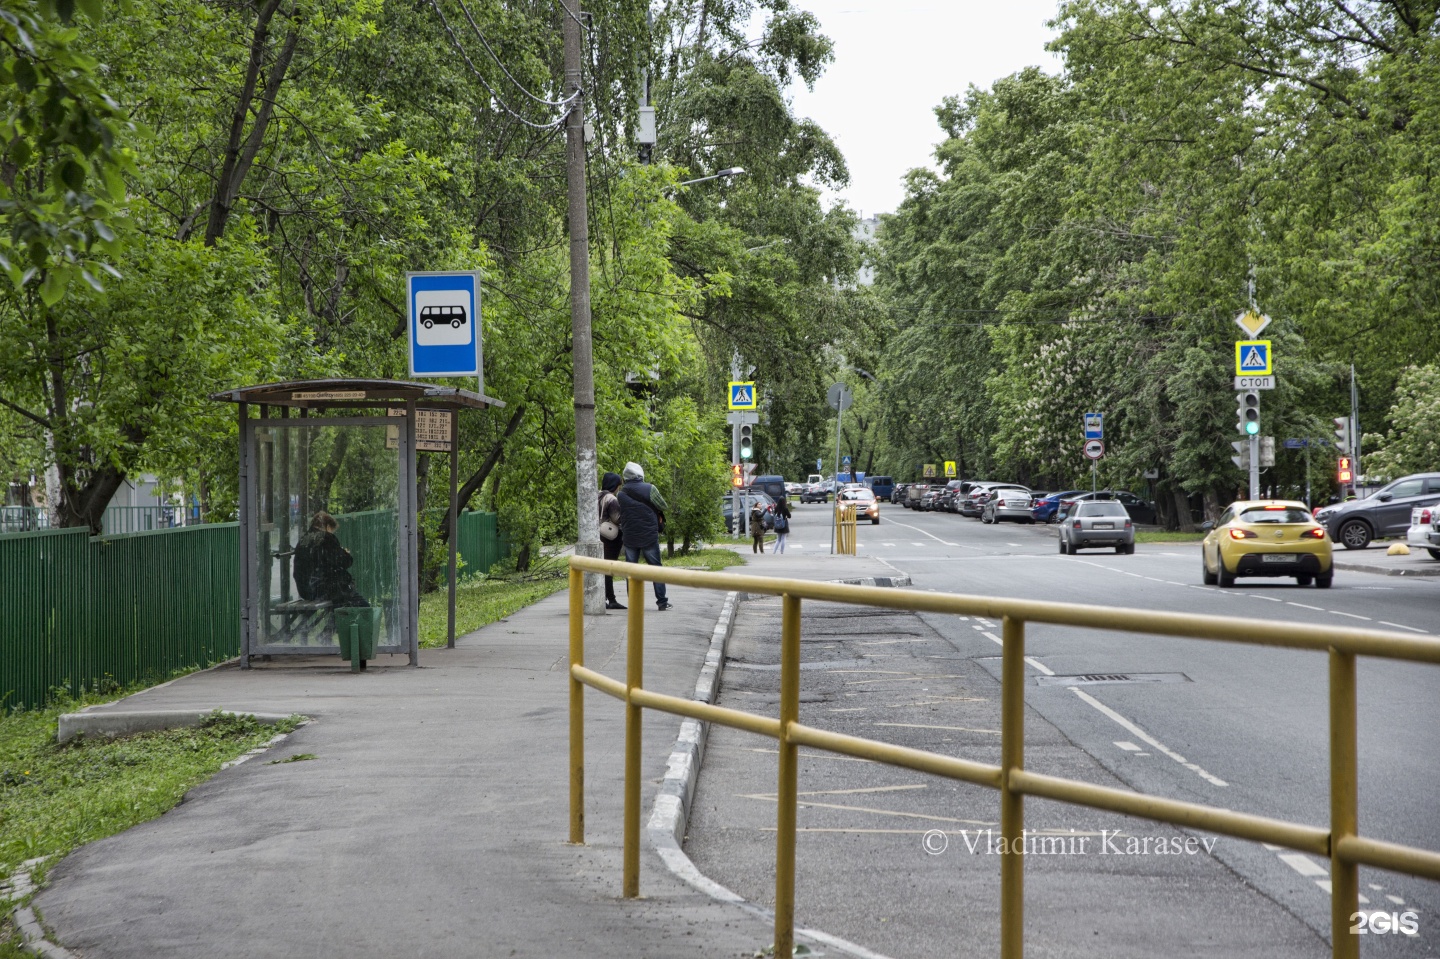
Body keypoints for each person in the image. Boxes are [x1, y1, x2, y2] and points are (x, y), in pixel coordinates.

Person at [616, 461, 671, 611]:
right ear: (640, 474)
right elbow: (663, 505)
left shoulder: (621, 494)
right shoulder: (650, 489)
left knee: (631, 570)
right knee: (656, 569)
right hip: (649, 536)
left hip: (630, 537)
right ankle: (662, 602)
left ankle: (634, 604)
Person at [293, 511, 368, 608]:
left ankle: (333, 621)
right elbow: (344, 561)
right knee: (364, 607)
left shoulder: (303, 539)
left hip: (305, 591)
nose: (332, 533)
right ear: (328, 526)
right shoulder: (326, 537)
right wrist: (345, 553)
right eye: (332, 530)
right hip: (324, 590)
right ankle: (338, 621)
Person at [598, 471, 625, 609]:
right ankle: (612, 599)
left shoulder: (597, 495)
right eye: (618, 486)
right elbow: (617, 518)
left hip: (598, 535)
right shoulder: (611, 499)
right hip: (610, 538)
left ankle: (604, 597)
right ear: (614, 485)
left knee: (602, 569)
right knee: (609, 569)